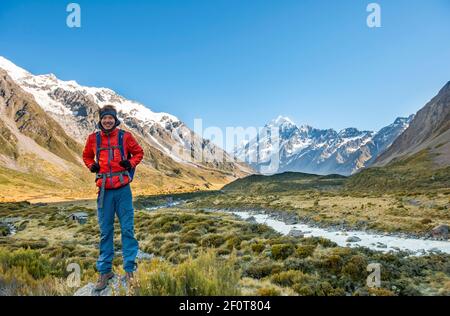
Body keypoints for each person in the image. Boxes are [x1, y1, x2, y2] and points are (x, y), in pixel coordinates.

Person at [82, 104, 144, 291]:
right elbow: (86, 156)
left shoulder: (125, 137)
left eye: (110, 118)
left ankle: (129, 271)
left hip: (123, 190)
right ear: (100, 119)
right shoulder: (93, 139)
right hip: (104, 192)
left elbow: (139, 152)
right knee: (105, 232)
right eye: (104, 118)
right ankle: (104, 272)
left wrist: (130, 162)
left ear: (115, 119)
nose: (107, 121)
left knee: (127, 230)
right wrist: (91, 165)